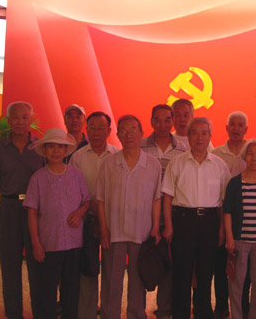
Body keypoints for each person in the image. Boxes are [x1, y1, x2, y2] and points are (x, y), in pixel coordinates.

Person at [162, 117, 231, 319]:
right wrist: (168, 225)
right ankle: (180, 314)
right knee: (182, 271)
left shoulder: (219, 165)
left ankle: (203, 312)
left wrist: (222, 229)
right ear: (188, 136)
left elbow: (224, 203)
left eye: (204, 133)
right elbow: (167, 197)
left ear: (210, 136)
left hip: (210, 222)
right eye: (194, 133)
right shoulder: (177, 163)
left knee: (205, 270)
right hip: (183, 221)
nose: (199, 138)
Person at [96, 115, 162, 319]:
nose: (129, 134)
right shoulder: (109, 163)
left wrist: (155, 228)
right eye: (123, 130)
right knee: (111, 279)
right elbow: (100, 199)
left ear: (141, 133)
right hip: (113, 230)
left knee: (137, 279)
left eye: (133, 129)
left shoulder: (152, 164)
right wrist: (103, 229)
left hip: (141, 231)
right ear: (118, 135)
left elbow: (156, 199)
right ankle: (110, 315)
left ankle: (136, 314)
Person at [24, 128, 91, 319]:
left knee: (71, 289)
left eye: (60, 147)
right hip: (49, 244)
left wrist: (79, 213)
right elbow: (31, 212)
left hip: (73, 243)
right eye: (51, 147)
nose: (55, 151)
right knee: (46, 291)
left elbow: (87, 201)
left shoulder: (77, 175)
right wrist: (36, 244)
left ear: (65, 150)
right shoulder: (37, 178)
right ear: (45, 150)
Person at [0, 101, 45, 318]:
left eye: (24, 117)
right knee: (9, 265)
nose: (20, 122)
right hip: (9, 209)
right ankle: (13, 313)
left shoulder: (40, 147)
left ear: (30, 120)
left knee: (37, 263)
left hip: (35, 211)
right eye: (15, 117)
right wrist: (11, 194)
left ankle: (40, 312)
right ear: (9, 120)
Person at [70, 111, 119, 319]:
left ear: (109, 131)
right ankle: (86, 313)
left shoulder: (117, 155)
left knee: (111, 270)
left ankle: (109, 312)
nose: (96, 132)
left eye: (101, 128)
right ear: (86, 129)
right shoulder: (78, 157)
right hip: (86, 219)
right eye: (92, 127)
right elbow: (72, 191)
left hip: (112, 220)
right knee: (88, 269)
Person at [140, 104, 186, 319]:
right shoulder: (140, 146)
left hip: (171, 215)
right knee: (142, 263)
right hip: (143, 213)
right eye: (157, 119)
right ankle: (137, 308)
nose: (163, 124)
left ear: (172, 121)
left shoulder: (182, 150)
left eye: (167, 119)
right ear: (151, 122)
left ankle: (165, 309)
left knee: (168, 263)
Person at [224, 139, 256, 319]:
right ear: (245, 156)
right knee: (236, 284)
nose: (254, 158)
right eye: (250, 154)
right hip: (239, 242)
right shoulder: (234, 183)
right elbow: (227, 212)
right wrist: (230, 238)